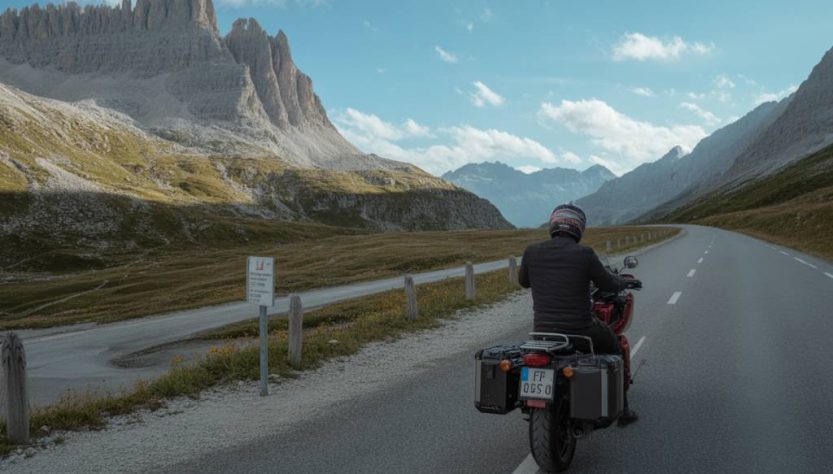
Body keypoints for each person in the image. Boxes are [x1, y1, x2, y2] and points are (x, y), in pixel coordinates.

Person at [518, 203, 640, 425]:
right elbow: (609, 283)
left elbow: (524, 282)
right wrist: (624, 282)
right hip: (581, 329)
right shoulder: (584, 254)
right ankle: (623, 410)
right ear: (578, 227)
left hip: (542, 330)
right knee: (614, 346)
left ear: (553, 224)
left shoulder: (531, 251)